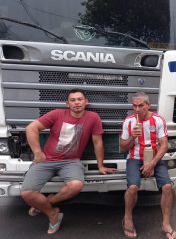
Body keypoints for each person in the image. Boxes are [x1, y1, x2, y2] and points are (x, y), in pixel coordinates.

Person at [20, 89, 115, 234]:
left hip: (71, 161)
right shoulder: (57, 113)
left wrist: (100, 165)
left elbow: (97, 142)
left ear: (86, 102)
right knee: (27, 193)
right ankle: (53, 214)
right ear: (67, 103)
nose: (77, 102)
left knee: (76, 185)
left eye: (80, 99)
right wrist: (38, 152)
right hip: (47, 160)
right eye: (73, 100)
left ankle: (47, 204)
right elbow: (31, 128)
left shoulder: (93, 117)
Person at [120, 92, 176, 239]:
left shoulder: (158, 120)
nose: (137, 109)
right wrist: (133, 137)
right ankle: (127, 218)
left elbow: (164, 146)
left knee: (168, 187)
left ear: (148, 105)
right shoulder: (129, 121)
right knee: (132, 188)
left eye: (141, 106)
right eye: (134, 106)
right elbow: (122, 147)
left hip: (155, 158)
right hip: (135, 158)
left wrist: (151, 164)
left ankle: (165, 223)